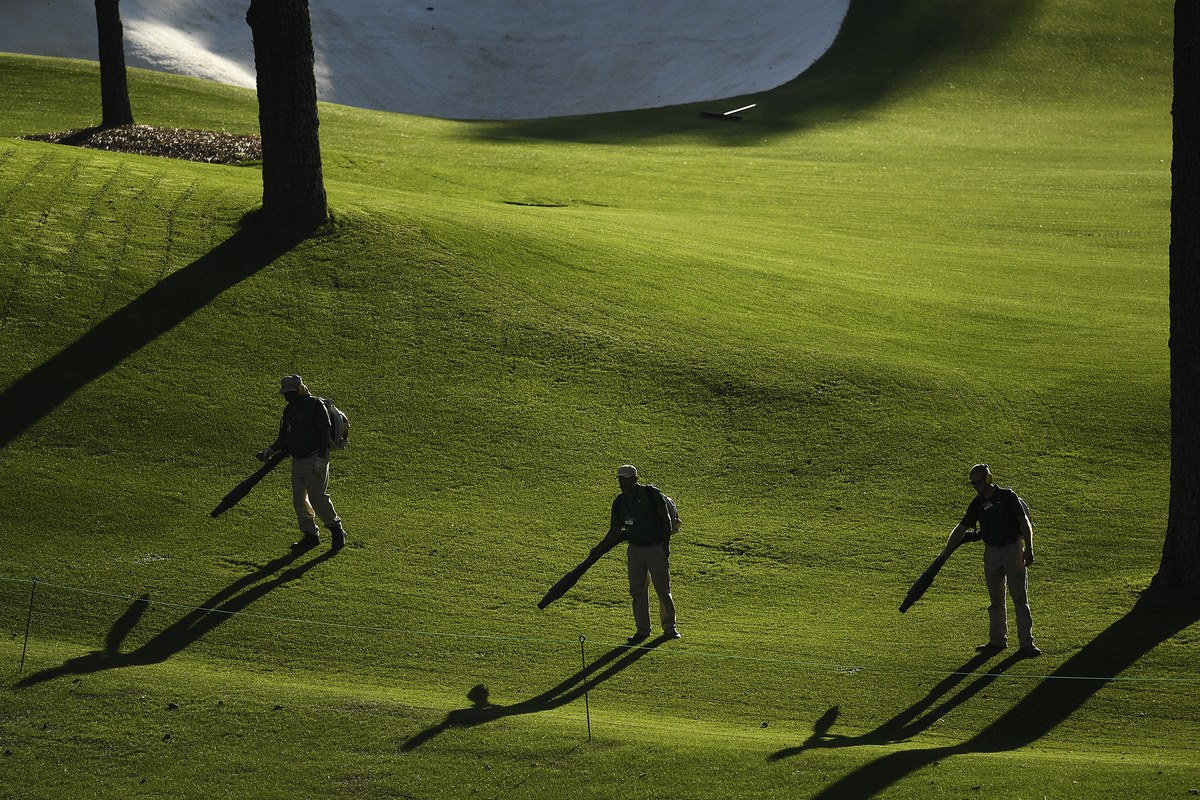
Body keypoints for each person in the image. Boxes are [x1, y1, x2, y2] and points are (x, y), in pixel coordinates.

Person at [940, 463, 1039, 657]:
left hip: (1012, 549)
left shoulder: (1008, 497)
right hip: (991, 553)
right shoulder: (977, 504)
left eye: (979, 482)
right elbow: (961, 529)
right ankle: (997, 640)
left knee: (1019, 597)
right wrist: (945, 552)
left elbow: (1024, 523)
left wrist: (1029, 548)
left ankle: (1027, 644)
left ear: (988, 479)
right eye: (973, 484)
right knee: (995, 599)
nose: (977, 487)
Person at [256, 374, 347, 550]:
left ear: (299, 390)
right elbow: (284, 436)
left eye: (289, 393)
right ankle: (310, 534)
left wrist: (321, 458)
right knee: (299, 499)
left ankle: (336, 530)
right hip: (298, 460)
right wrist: (270, 449)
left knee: (316, 496)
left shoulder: (315, 405)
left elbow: (324, 432)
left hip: (315, 457)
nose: (286, 396)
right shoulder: (289, 409)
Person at [593, 464, 680, 644]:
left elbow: (666, 519)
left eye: (626, 479)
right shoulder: (619, 502)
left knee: (662, 590)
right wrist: (599, 547)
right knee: (637, 591)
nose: (623, 483)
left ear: (635, 479)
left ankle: (670, 628)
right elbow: (615, 530)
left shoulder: (650, 494)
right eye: (620, 479)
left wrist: (665, 545)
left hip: (655, 547)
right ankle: (642, 630)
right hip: (634, 550)